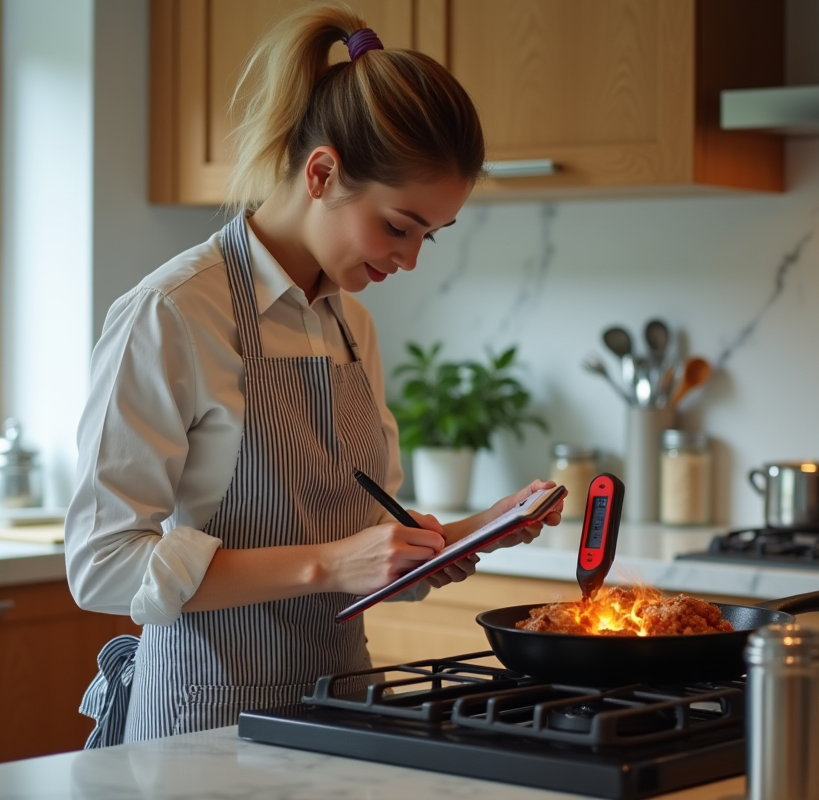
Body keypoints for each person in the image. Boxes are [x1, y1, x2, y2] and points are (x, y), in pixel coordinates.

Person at [65, 3, 562, 746]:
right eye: (399, 226)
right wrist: (332, 562)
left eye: (431, 234)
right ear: (322, 173)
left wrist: (473, 532)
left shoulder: (349, 322)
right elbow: (103, 566)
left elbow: (355, 547)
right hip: (203, 727)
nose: (411, 259)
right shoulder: (173, 313)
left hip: (343, 713)